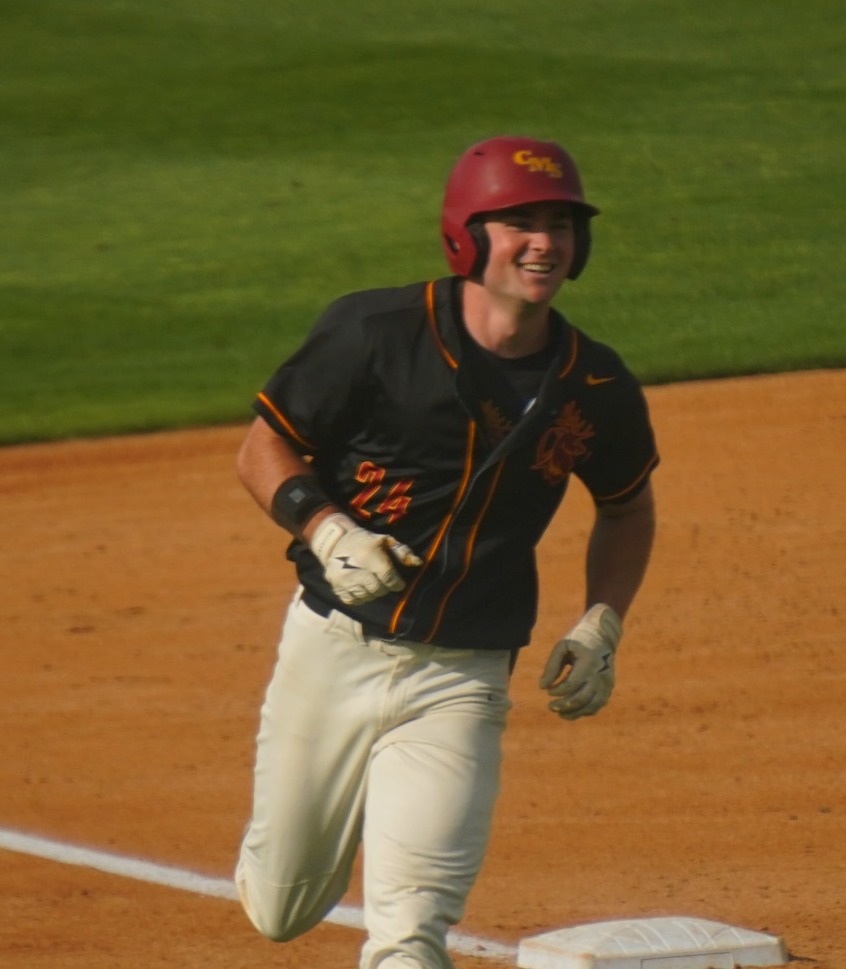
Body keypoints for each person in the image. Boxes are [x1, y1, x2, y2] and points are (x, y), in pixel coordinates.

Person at [233, 135, 659, 969]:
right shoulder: (374, 332)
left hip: (461, 678)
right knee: (280, 908)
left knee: (410, 931)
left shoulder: (595, 386)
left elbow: (627, 506)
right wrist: (327, 528)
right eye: (521, 223)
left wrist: (602, 622)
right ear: (467, 235)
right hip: (332, 652)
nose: (545, 242)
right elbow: (263, 449)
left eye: (562, 225)